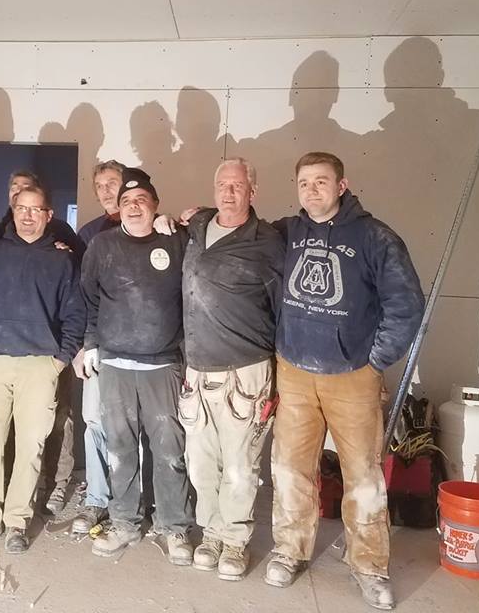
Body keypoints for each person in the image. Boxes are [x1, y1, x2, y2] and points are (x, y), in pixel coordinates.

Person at [267, 152, 423, 610]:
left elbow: (406, 304)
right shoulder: (287, 232)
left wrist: (375, 361)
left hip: (352, 376)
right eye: (304, 183)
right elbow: (240, 234)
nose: (311, 190)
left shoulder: (375, 237)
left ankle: (369, 567)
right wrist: (197, 217)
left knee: (363, 477)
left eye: (321, 181)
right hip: (294, 372)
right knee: (290, 469)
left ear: (342, 185)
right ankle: (289, 550)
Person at [0, 185, 85, 554]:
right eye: (21, 208)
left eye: (36, 209)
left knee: (30, 447)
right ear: (12, 212)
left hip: (39, 367)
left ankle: (17, 521)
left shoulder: (62, 261)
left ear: (49, 215)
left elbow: (75, 313)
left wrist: (59, 359)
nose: (28, 216)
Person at [177, 157, 284, 581]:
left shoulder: (268, 242)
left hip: (246, 370)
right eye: (222, 184)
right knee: (201, 463)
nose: (229, 191)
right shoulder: (197, 227)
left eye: (237, 185)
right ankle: (212, 533)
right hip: (198, 369)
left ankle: (235, 540)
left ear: (252, 192)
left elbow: (282, 309)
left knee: (241, 465)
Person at [81, 169, 194, 565]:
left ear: (155, 206)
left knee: (169, 451)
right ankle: (125, 522)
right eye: (126, 201)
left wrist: (181, 221)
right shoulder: (102, 245)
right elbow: (89, 299)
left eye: (141, 200)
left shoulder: (176, 241)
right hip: (115, 364)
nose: (133, 206)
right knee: (120, 449)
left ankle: (175, 526)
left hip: (163, 365)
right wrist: (90, 345)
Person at [0, 170, 83, 514]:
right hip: (8, 351)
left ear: (46, 209)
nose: (26, 209)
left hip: (51, 346)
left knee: (58, 417)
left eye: (31, 197)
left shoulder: (59, 232)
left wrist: (63, 354)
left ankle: (56, 481)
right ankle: (16, 486)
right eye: (16, 191)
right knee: (16, 425)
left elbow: (77, 277)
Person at [71, 160, 124, 534]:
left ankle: (132, 500)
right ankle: (97, 499)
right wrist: (81, 345)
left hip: (143, 348)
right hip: (98, 343)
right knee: (94, 422)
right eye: (100, 185)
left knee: (136, 426)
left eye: (113, 183)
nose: (106, 190)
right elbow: (80, 293)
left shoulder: (155, 227)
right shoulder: (88, 234)